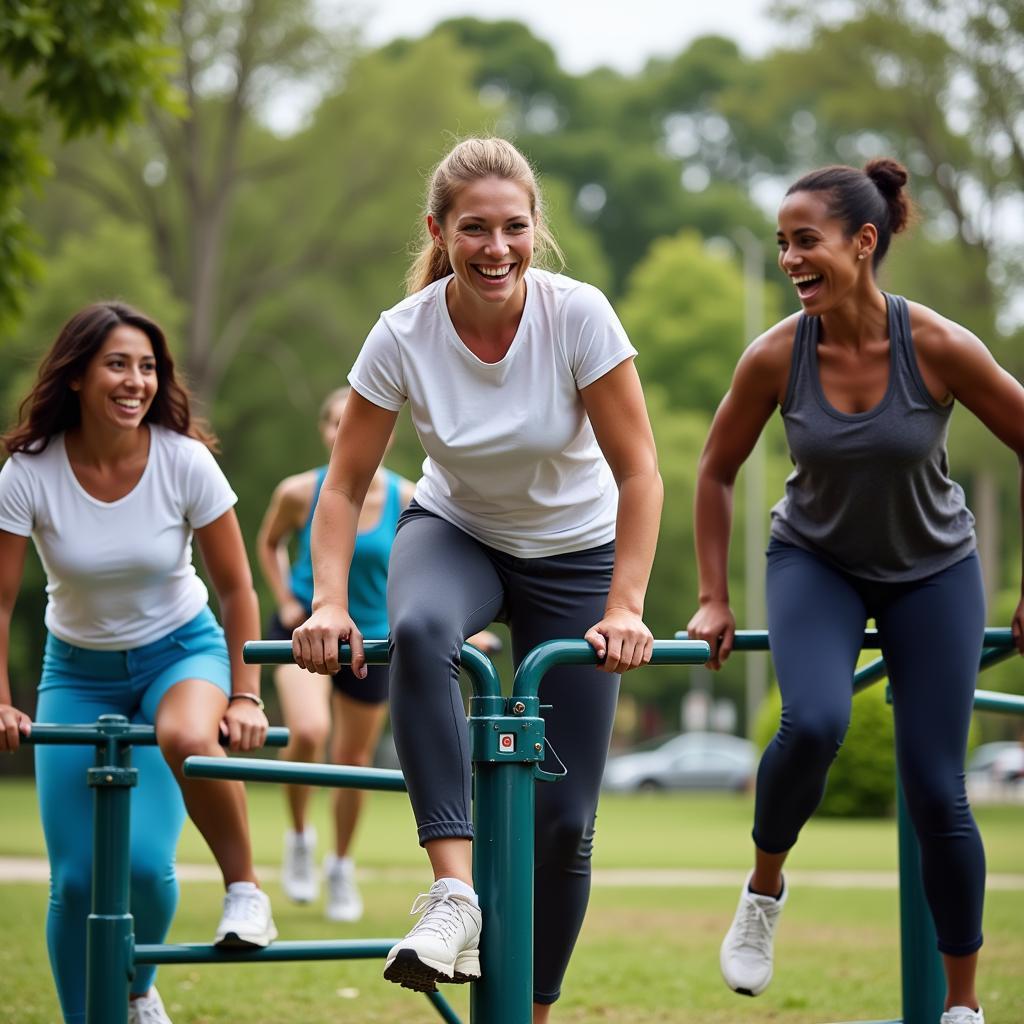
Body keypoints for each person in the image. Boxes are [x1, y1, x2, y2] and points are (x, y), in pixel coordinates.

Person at [291, 137, 662, 1021]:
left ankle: (528, 1012)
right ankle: (453, 894)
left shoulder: (578, 317)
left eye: (514, 227)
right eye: (475, 229)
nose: (497, 248)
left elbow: (641, 471)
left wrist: (627, 606)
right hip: (455, 530)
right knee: (418, 632)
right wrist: (331, 600)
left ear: (536, 230)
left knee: (564, 822)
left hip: (576, 552)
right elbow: (344, 486)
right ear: (439, 231)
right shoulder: (404, 333)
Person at [685, 159, 1024, 1024]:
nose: (791, 260)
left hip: (934, 570)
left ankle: (961, 1006)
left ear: (863, 242)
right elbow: (716, 471)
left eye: (807, 242)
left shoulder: (938, 345)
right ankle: (763, 892)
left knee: (937, 788)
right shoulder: (775, 356)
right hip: (817, 562)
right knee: (817, 723)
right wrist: (714, 595)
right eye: (782, 245)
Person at [0, 303, 278, 1024]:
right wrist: (1, 699)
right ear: (78, 376)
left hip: (180, 652)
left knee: (150, 865)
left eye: (148, 366)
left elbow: (238, 587)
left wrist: (245, 696)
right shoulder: (30, 470)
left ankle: (242, 891)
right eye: (118, 364)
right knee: (80, 879)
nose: (136, 381)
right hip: (76, 673)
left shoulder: (184, 460)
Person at [258, 387, 501, 920]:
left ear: (387, 432)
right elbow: (268, 542)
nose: (344, 429)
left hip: (374, 640)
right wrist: (285, 598)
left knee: (351, 759)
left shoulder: (410, 496)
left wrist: (465, 625)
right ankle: (299, 837)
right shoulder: (301, 492)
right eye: (333, 421)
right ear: (324, 430)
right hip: (309, 629)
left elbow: (433, 567)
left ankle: (341, 865)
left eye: (358, 420)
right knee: (308, 731)